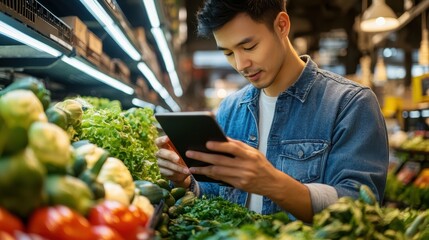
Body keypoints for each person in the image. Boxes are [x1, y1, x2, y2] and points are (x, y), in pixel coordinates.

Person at [155, 0, 389, 222]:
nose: (240, 64)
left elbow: (361, 209)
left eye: (249, 46)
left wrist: (273, 183)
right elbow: (216, 196)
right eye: (228, 53)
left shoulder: (350, 103)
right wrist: (186, 182)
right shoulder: (230, 108)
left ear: (281, 25)